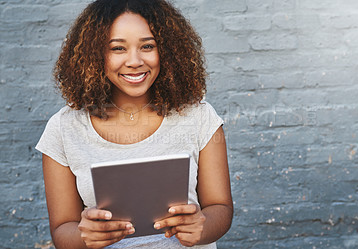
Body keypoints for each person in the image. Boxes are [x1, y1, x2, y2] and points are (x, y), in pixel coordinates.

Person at [35, 0, 233, 248]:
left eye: (148, 46)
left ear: (168, 51)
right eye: (118, 48)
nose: (135, 60)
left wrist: (202, 226)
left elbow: (221, 208)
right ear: (95, 55)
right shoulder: (63, 129)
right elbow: (62, 229)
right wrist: (85, 236)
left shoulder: (198, 116)